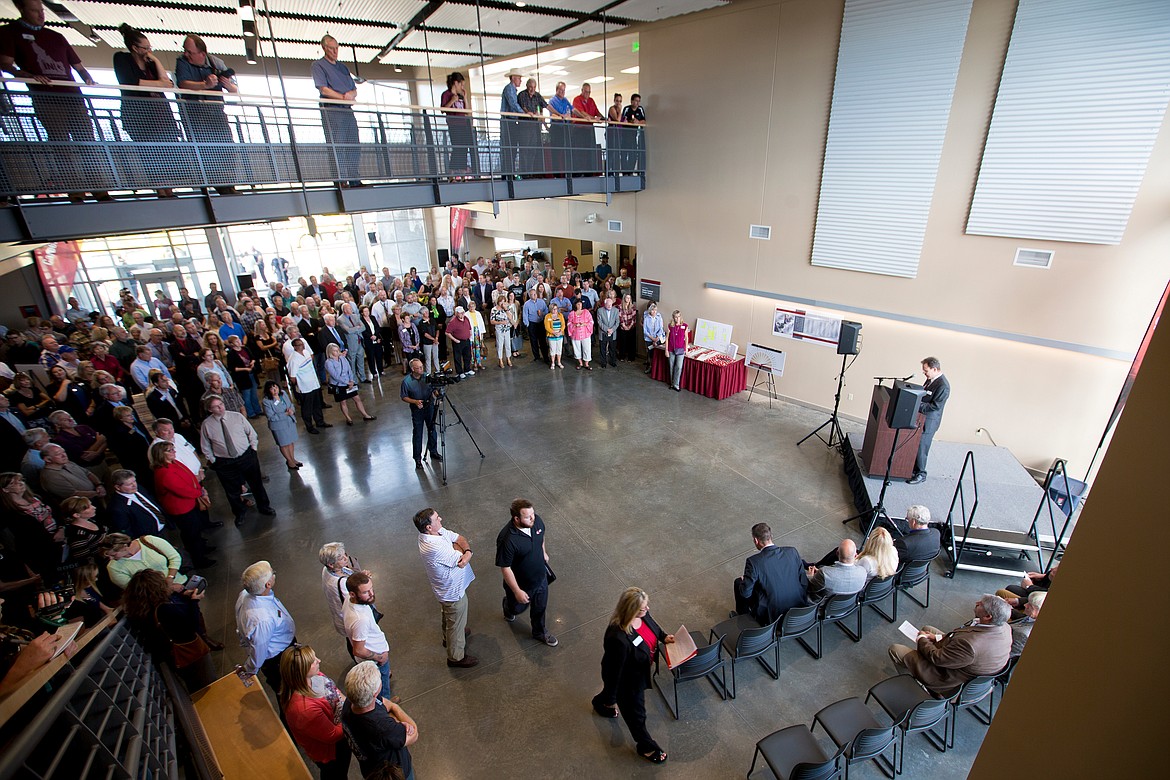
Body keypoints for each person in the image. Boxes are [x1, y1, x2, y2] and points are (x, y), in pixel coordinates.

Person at [0, 0, 107, 202]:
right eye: (35, 11)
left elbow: (78, 66)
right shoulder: (9, 32)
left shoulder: (56, 36)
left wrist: (87, 78)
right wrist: (26, 74)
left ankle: (99, 188)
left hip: (73, 98)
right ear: (22, 10)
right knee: (61, 144)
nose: (41, 15)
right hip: (47, 98)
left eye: (42, 10)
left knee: (87, 141)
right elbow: (6, 63)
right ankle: (75, 191)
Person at [592, 587, 673, 764]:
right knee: (637, 715)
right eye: (643, 608)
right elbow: (612, 671)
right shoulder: (618, 637)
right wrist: (615, 695)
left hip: (639, 670)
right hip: (629, 683)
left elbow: (652, 626)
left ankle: (601, 702)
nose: (648, 609)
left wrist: (663, 636)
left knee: (610, 696)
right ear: (631, 610)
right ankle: (646, 747)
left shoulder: (642, 616)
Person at [888, 594, 1013, 698]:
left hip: (948, 678)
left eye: (981, 604)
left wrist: (922, 639)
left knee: (896, 650)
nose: (977, 602)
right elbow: (961, 635)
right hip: (961, 661)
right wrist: (935, 638)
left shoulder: (970, 645)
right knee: (928, 629)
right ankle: (918, 661)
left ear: (987, 617)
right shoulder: (1004, 627)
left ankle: (913, 683)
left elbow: (937, 658)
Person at [122, 568, 219, 691]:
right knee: (207, 684)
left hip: (170, 656)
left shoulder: (142, 612)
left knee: (193, 684)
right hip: (189, 653)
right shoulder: (164, 609)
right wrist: (195, 601)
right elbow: (191, 625)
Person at [113, 23, 179, 197]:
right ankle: (161, 190)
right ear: (135, 48)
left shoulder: (150, 64)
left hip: (160, 116)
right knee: (149, 153)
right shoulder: (122, 59)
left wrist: (156, 60)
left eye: (150, 47)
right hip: (139, 117)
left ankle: (169, 190)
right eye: (145, 48)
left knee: (167, 153)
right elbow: (131, 82)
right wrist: (159, 84)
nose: (149, 50)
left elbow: (168, 83)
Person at [175, 34, 239, 195]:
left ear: (202, 54)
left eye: (190, 52)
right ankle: (218, 186)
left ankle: (227, 184)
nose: (186, 54)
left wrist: (227, 84)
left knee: (226, 149)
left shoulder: (215, 63)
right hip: (195, 115)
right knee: (205, 151)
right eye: (186, 51)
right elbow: (183, 83)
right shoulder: (182, 63)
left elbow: (234, 90)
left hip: (215, 112)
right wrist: (205, 84)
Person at [413, 507, 477, 668]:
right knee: (456, 622)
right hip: (452, 591)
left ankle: (447, 638)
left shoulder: (433, 533)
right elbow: (461, 559)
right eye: (436, 518)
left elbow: (458, 539)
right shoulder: (433, 547)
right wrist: (466, 552)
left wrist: (466, 551)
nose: (440, 519)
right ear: (428, 527)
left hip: (446, 589)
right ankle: (455, 657)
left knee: (448, 616)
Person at [199, 395, 275, 527]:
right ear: (210, 410)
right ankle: (240, 513)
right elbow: (205, 446)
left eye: (221, 404)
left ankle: (264, 506)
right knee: (232, 491)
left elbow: (252, 433)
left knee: (256, 483)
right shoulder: (207, 425)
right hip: (225, 462)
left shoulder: (236, 416)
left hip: (246, 456)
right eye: (216, 406)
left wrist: (253, 449)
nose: (220, 407)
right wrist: (213, 460)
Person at [279, 644, 352, 780]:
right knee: (337, 774)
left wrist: (347, 703)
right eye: (313, 661)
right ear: (301, 671)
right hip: (332, 751)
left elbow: (334, 691)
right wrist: (353, 714)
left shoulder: (314, 676)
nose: (319, 660)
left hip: (340, 728)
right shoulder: (304, 710)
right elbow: (332, 735)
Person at [496, 498, 558, 647]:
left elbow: (541, 536)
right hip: (521, 584)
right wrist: (517, 591)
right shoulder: (507, 539)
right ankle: (508, 606)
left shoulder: (536, 522)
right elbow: (505, 568)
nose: (532, 518)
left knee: (540, 607)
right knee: (517, 608)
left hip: (540, 577)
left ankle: (539, 632)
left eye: (533, 514)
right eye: (527, 516)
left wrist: (543, 552)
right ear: (516, 518)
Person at [341, 661, 418, 779]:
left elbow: (385, 703)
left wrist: (392, 710)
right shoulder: (382, 727)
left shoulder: (350, 703)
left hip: (369, 768)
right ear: (375, 692)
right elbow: (414, 734)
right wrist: (395, 708)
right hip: (393, 774)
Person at [149, 441, 216, 568]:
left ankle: (202, 548)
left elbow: (189, 476)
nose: (174, 451)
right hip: (181, 508)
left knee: (196, 529)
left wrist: (198, 488)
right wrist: (199, 492)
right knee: (191, 533)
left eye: (173, 449)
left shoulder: (174, 463)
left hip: (189, 502)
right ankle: (198, 559)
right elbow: (181, 489)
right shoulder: (164, 472)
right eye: (169, 450)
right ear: (161, 454)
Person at [235, 560, 296, 692]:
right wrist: (249, 669)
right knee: (286, 691)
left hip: (282, 646)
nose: (274, 574)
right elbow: (259, 650)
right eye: (272, 573)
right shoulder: (263, 619)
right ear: (268, 584)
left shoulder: (245, 595)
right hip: (278, 658)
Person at [733, 523, 809, 624]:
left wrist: (745, 581)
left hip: (772, 614)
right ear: (771, 536)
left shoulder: (754, 562)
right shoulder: (792, 551)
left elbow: (746, 593)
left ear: (756, 540)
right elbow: (804, 582)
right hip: (798, 605)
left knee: (739, 583)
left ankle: (744, 619)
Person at [312, 35, 361, 187]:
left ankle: (354, 179)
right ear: (324, 48)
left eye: (336, 48)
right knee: (337, 145)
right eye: (331, 49)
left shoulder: (343, 67)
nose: (335, 52)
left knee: (353, 144)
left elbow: (354, 89)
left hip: (347, 110)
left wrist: (350, 95)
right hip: (332, 110)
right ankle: (340, 180)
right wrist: (342, 97)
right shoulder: (318, 65)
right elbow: (324, 89)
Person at [343, 572, 393, 700]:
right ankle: (387, 706)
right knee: (381, 688)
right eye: (366, 592)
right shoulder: (361, 619)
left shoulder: (349, 601)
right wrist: (380, 657)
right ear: (353, 594)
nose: (372, 594)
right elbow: (358, 650)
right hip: (375, 659)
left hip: (375, 654)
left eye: (371, 589)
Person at [908, 356, 950, 485]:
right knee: (917, 444)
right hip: (922, 418)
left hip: (930, 421)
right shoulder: (930, 380)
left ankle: (921, 473)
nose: (924, 373)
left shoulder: (943, 386)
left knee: (922, 446)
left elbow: (935, 406)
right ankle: (912, 469)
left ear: (935, 369)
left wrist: (917, 406)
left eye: (926, 370)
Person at [100, 531, 185, 590]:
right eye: (108, 555)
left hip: (182, 582)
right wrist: (169, 588)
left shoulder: (149, 541)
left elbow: (174, 557)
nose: (110, 559)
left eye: (113, 555)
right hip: (158, 597)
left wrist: (170, 578)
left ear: (125, 546)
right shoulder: (113, 568)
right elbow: (135, 588)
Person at [399, 358, 442, 470]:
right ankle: (417, 459)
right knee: (418, 433)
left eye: (422, 366)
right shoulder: (406, 381)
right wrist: (415, 401)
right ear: (413, 369)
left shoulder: (426, 376)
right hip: (417, 409)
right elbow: (404, 397)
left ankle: (433, 451)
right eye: (419, 368)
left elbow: (433, 389)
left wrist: (437, 393)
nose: (422, 369)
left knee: (432, 429)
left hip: (429, 406)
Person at [324, 343, 375, 425]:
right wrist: (346, 382)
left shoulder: (342, 358)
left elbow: (349, 369)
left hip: (349, 382)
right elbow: (335, 375)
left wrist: (351, 380)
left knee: (357, 399)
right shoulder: (328, 362)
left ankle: (365, 415)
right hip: (339, 385)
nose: (337, 352)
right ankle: (348, 418)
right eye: (335, 350)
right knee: (343, 402)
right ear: (330, 351)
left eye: (338, 350)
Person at [287, 339, 328, 434]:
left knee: (317, 404)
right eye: (300, 345)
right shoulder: (293, 359)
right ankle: (309, 426)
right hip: (305, 387)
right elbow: (292, 377)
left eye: (303, 344)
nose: (303, 346)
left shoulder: (306, 352)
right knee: (307, 408)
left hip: (314, 383)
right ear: (295, 347)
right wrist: (300, 383)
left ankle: (320, 421)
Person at [260, 380, 301, 470]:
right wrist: (284, 414)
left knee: (290, 441)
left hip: (289, 422)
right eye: (272, 388)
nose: (275, 390)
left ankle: (293, 458)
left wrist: (292, 410)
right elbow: (271, 416)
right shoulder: (266, 401)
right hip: (278, 425)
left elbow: (290, 404)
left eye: (276, 387)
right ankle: (289, 461)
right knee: (284, 443)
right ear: (268, 390)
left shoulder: (283, 393)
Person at [440, 71, 474, 176]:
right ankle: (452, 171)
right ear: (456, 83)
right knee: (457, 147)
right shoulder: (446, 94)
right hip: (454, 124)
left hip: (463, 123)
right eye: (461, 84)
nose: (462, 87)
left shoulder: (461, 95)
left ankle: (462, 171)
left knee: (464, 147)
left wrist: (465, 97)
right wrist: (452, 100)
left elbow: (467, 111)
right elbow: (442, 109)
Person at [517, 77, 548, 173]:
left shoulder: (537, 96)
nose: (532, 89)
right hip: (524, 127)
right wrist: (530, 113)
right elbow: (524, 108)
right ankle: (524, 173)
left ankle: (530, 172)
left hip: (535, 127)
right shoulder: (522, 95)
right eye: (530, 87)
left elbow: (546, 106)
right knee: (524, 150)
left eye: (534, 87)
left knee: (533, 150)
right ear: (527, 86)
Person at [225, 335, 262, 418]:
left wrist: (252, 362)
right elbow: (233, 368)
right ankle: (251, 413)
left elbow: (253, 357)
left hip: (251, 373)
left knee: (254, 394)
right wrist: (245, 369)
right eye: (236, 341)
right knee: (247, 395)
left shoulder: (245, 349)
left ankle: (258, 410)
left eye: (239, 340)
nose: (239, 342)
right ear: (232, 344)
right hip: (242, 377)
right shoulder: (231, 354)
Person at [499, 72, 524, 176]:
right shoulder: (509, 89)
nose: (520, 80)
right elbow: (513, 104)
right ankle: (508, 174)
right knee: (509, 149)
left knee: (512, 149)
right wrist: (524, 113)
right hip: (508, 121)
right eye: (519, 78)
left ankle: (510, 173)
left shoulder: (513, 90)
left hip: (511, 121)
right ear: (513, 78)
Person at [1009, 591, 1045, 657]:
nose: (1025, 605)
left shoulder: (1023, 634)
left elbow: (1012, 655)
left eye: (1030, 605)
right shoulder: (1032, 617)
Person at [620, 93, 646, 173]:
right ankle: (625, 171)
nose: (637, 103)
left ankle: (630, 170)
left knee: (634, 153)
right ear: (631, 101)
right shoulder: (627, 109)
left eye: (639, 101)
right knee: (624, 153)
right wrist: (631, 121)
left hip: (634, 135)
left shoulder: (640, 109)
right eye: (636, 101)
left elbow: (644, 120)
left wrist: (638, 121)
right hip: (625, 135)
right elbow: (622, 120)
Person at [445, 306, 474, 378]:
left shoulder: (466, 318)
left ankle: (467, 369)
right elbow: (447, 332)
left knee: (468, 355)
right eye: (460, 313)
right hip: (458, 341)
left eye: (463, 312)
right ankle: (460, 372)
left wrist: (470, 334)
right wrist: (455, 340)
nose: (462, 314)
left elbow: (469, 327)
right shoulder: (453, 322)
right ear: (457, 313)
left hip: (466, 340)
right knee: (457, 357)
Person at [523, 289, 549, 364]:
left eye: (534, 294)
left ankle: (546, 357)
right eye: (531, 295)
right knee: (533, 341)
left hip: (540, 323)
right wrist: (527, 325)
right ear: (529, 295)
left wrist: (542, 314)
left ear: (536, 294)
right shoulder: (527, 304)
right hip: (532, 323)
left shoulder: (541, 302)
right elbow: (525, 315)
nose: (533, 296)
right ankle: (536, 356)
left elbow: (546, 311)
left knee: (543, 341)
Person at [567, 299, 594, 370]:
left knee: (587, 348)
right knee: (576, 349)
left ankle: (586, 363)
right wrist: (575, 325)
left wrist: (585, 324)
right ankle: (580, 363)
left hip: (585, 334)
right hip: (576, 334)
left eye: (581, 304)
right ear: (575, 305)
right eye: (578, 304)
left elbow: (591, 321)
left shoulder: (586, 312)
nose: (580, 305)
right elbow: (569, 323)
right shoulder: (572, 313)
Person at [665, 309, 688, 391]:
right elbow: (667, 338)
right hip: (671, 349)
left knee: (678, 366)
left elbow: (686, 338)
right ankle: (671, 383)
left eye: (678, 317)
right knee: (671, 366)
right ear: (673, 318)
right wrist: (666, 350)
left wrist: (686, 349)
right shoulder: (670, 326)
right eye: (675, 317)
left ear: (680, 317)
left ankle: (676, 384)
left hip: (681, 350)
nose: (677, 318)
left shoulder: (684, 326)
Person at [489, 297, 515, 369]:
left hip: (507, 329)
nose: (502, 304)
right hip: (499, 329)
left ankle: (508, 358)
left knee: (508, 344)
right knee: (500, 345)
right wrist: (500, 322)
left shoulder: (507, 308)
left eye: (504, 302)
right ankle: (500, 360)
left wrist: (506, 309)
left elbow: (510, 317)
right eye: (501, 302)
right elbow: (492, 321)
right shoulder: (494, 309)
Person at [642, 302, 664, 374]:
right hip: (648, 339)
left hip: (657, 338)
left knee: (656, 354)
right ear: (649, 311)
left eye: (655, 310)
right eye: (652, 310)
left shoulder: (659, 318)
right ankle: (650, 367)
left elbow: (661, 329)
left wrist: (656, 338)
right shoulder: (646, 318)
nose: (654, 312)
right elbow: (645, 330)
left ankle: (656, 369)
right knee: (650, 354)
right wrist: (652, 338)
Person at [544, 303, 566, 370]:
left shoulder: (560, 315)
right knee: (552, 349)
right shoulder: (547, 316)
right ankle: (553, 362)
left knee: (559, 349)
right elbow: (547, 327)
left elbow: (563, 325)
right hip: (551, 336)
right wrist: (553, 332)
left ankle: (559, 362)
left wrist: (560, 331)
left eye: (556, 309)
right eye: (553, 309)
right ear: (551, 309)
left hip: (560, 335)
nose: (555, 310)